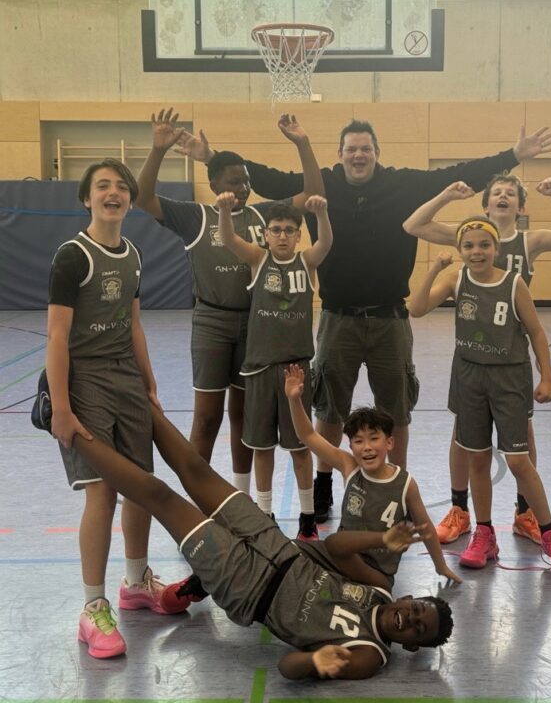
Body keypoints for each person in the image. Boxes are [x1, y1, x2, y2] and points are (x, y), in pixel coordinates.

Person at [173, 120, 551, 523]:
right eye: (351, 149)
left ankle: (397, 487)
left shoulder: (402, 185)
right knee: (329, 409)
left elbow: (460, 173)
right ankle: (323, 486)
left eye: (366, 149)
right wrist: (212, 158)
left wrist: (513, 156)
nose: (358, 155)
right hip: (338, 318)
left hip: (390, 317)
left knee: (397, 412)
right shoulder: (324, 184)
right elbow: (270, 179)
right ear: (340, 154)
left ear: (376, 153)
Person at [65, 407, 455, 680]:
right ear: (409, 598)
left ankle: (66, 429)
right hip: (276, 544)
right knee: (196, 469)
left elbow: (287, 668)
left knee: (160, 497)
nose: (410, 619)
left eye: (417, 630)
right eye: (417, 610)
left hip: (247, 587)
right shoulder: (380, 589)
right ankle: (137, 397)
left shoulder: (369, 655)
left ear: (411, 647)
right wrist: (381, 538)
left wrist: (314, 662)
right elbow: (335, 546)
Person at [403, 174, 551, 545]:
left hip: (511, 358)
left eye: (511, 193)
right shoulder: (469, 236)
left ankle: (525, 513)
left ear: (520, 206)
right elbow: (413, 225)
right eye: (496, 192)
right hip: (474, 361)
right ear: (486, 204)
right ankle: (460, 509)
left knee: (523, 440)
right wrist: (446, 194)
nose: (503, 196)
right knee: (463, 436)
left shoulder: (529, 241)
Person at [136, 109, 324, 495]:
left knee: (244, 417)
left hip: (255, 327)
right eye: (234, 182)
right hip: (212, 322)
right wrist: (158, 150)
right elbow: (143, 198)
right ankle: (199, 496)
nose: (243, 188)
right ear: (214, 183)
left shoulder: (264, 215)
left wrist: (303, 143)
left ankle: (239, 497)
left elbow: (312, 194)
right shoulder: (196, 217)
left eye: (246, 181)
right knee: (206, 418)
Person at [45, 159, 184, 660]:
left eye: (122, 186)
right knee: (102, 493)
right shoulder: (72, 256)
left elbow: (134, 324)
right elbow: (56, 336)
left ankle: (135, 583)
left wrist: (148, 381)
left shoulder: (133, 254)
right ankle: (92, 607)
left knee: (141, 486)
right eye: (102, 185)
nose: (114, 192)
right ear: (87, 198)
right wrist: (62, 408)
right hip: (85, 381)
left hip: (126, 377)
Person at [216, 193, 332, 540]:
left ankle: (308, 519)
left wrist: (321, 215)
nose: (282, 236)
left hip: (295, 371)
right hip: (260, 369)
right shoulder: (258, 259)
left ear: (298, 235)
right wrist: (224, 211)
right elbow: (228, 238)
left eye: (289, 230)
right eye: (276, 230)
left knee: (300, 447)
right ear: (266, 234)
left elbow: (326, 243)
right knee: (261, 446)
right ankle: (265, 514)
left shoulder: (306, 262)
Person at [283, 363, 461, 584]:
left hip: (377, 575)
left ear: (389, 443)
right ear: (351, 446)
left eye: (374, 438)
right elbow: (308, 435)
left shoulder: (405, 484)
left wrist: (441, 566)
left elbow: (426, 529)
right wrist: (294, 399)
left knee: (333, 547)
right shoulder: (350, 467)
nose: (366, 447)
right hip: (341, 562)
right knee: (293, 552)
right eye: (358, 441)